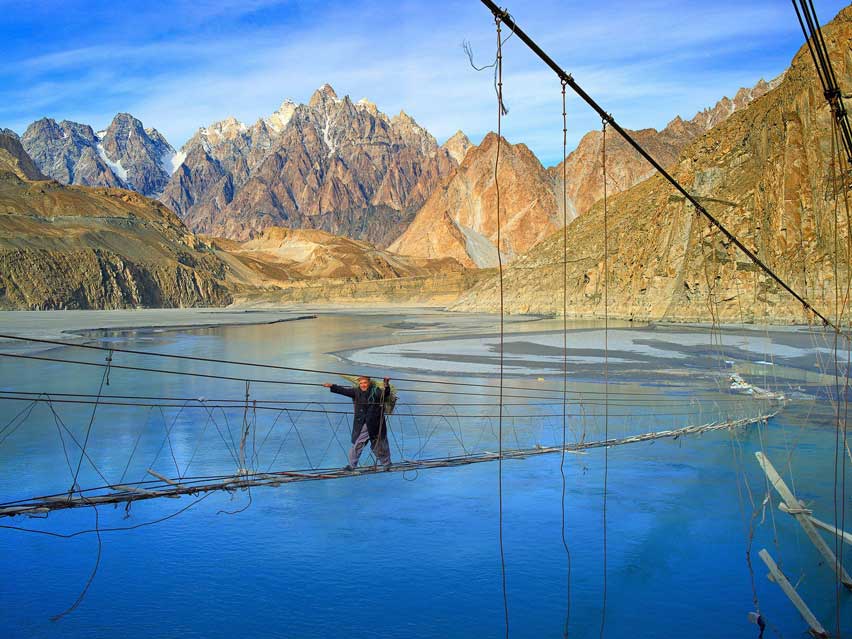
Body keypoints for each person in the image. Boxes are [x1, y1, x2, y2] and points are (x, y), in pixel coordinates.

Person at [323, 375, 392, 470]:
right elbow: (344, 391)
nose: (363, 385)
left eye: (365, 383)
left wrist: (386, 384)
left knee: (377, 444)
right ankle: (386, 464)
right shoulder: (356, 391)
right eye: (361, 383)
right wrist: (332, 386)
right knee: (361, 444)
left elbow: (385, 395)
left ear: (369, 383)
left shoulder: (375, 391)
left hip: (375, 423)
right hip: (362, 423)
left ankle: (385, 464)